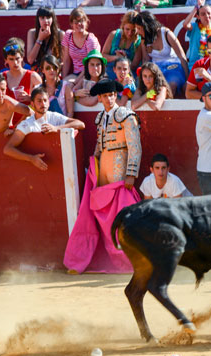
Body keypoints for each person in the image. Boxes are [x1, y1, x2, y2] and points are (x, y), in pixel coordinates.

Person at [64, 78, 142, 274]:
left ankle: (131, 259)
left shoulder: (125, 115)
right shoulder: (100, 118)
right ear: (99, 98)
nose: (109, 99)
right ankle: (114, 258)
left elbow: (135, 146)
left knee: (121, 215)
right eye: (106, 96)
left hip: (120, 167)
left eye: (112, 95)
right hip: (104, 169)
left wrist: (131, 173)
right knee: (105, 217)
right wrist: (94, 165)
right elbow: (100, 145)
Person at [3, 86, 85, 170]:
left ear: (49, 103)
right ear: (32, 104)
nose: (43, 104)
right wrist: (31, 158)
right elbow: (8, 149)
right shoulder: (27, 124)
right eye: (39, 101)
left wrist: (57, 128)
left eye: (45, 100)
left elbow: (80, 124)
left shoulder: (54, 116)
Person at [135, 11, 188, 97]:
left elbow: (182, 57)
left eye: (139, 28)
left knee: (171, 86)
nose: (138, 32)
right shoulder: (143, 39)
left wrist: (187, 79)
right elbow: (146, 60)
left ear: (147, 27)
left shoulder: (167, 33)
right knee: (148, 89)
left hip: (173, 67)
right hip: (156, 69)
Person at [1, 37, 43, 127]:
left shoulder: (33, 76)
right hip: (5, 123)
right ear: (6, 60)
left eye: (17, 58)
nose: (15, 63)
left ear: (22, 57)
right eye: (11, 59)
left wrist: (30, 98)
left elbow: (45, 102)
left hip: (28, 123)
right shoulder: (2, 77)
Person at [101, 10, 144, 80]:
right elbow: (103, 56)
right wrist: (116, 57)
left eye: (133, 30)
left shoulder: (138, 41)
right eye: (127, 29)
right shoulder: (114, 35)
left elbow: (134, 65)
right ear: (123, 26)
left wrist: (124, 59)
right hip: (110, 71)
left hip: (127, 73)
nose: (130, 33)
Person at [183, 0, 211, 71]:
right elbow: (185, 24)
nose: (207, 16)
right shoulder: (194, 27)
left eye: (208, 13)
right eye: (203, 14)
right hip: (194, 65)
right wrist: (196, 8)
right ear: (198, 17)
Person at [61, 7, 101, 80]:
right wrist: (63, 79)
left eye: (81, 21)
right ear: (71, 24)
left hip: (90, 74)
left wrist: (76, 83)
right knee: (65, 85)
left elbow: (91, 64)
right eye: (76, 22)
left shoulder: (90, 40)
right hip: (75, 73)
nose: (79, 24)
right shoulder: (68, 35)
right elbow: (66, 59)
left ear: (86, 22)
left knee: (73, 88)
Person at [26, 7, 63, 72]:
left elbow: (63, 61)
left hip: (54, 71)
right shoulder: (32, 33)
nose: (46, 21)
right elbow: (30, 60)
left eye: (48, 17)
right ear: (38, 20)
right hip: (38, 71)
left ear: (53, 19)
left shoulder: (60, 34)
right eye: (42, 18)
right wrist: (40, 39)